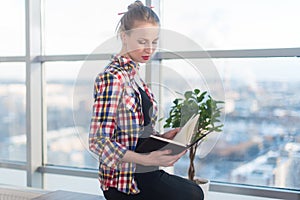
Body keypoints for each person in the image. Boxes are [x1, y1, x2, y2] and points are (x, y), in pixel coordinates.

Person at [89, 1, 204, 199]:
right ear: (125, 37)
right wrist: (148, 159)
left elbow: (136, 133)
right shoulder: (112, 78)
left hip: (145, 172)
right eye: (142, 41)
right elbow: (98, 142)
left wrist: (163, 138)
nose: (149, 49)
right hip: (125, 181)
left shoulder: (134, 76)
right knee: (193, 195)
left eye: (154, 42)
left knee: (194, 192)